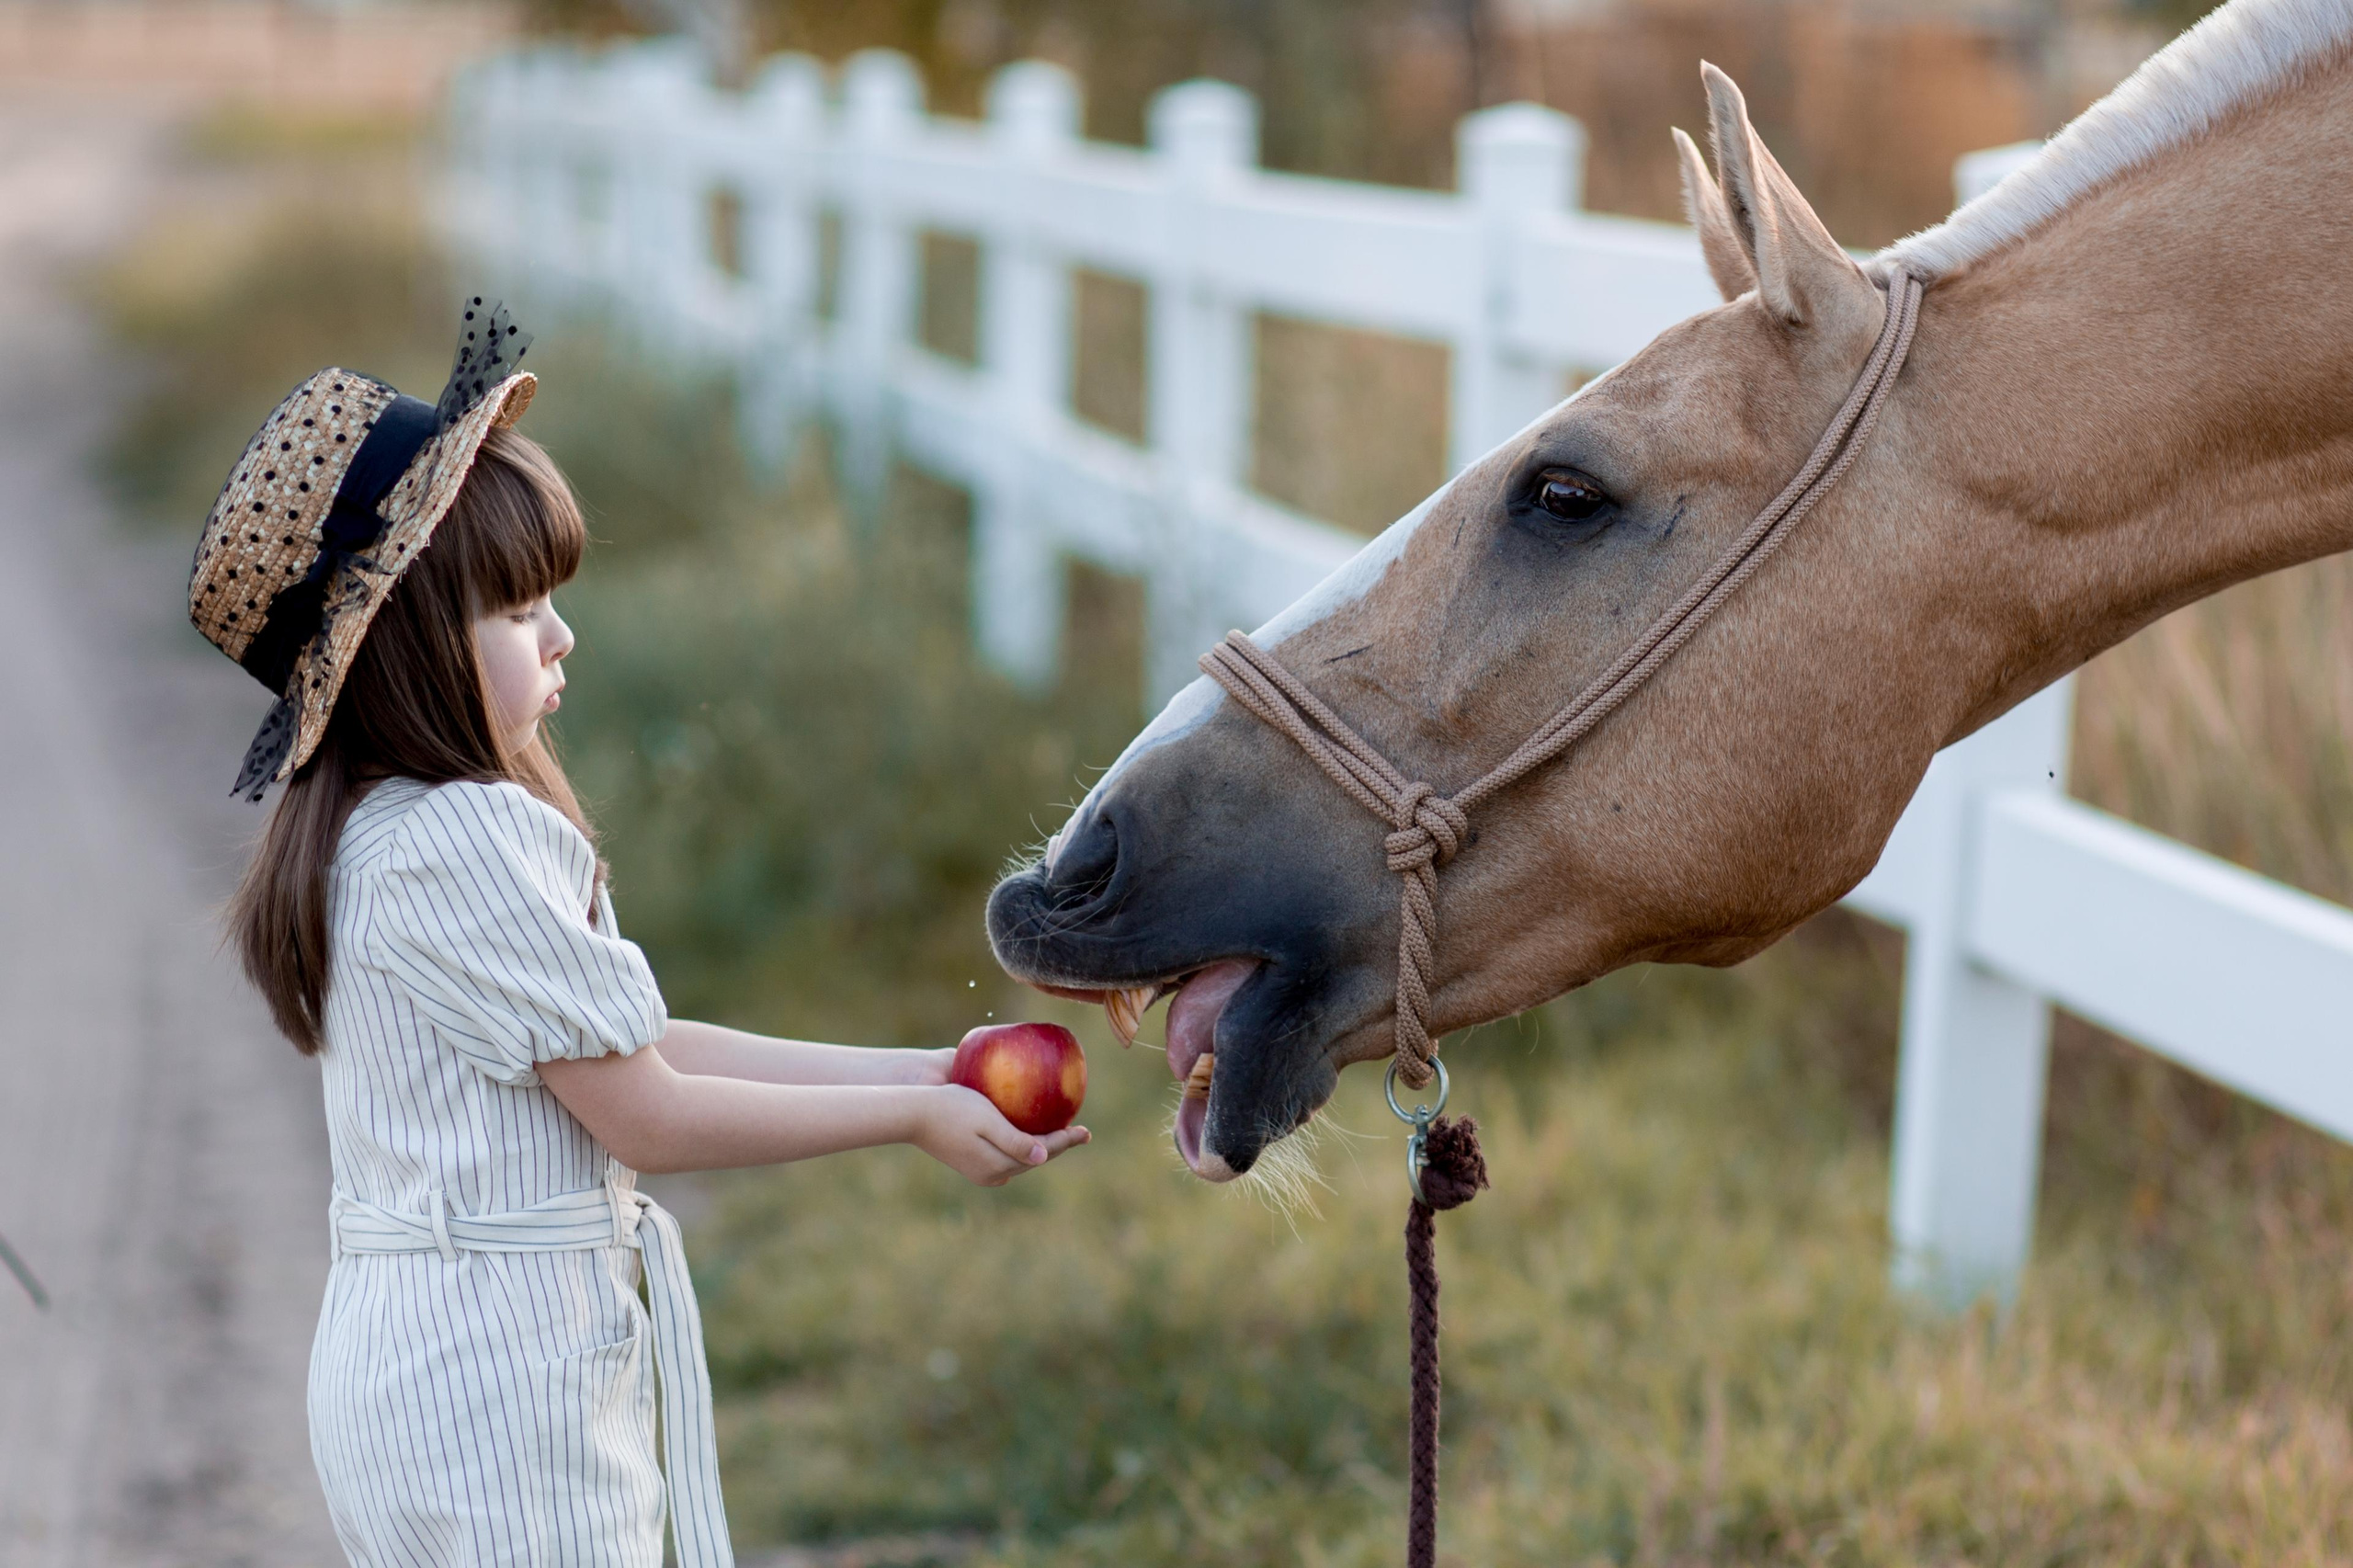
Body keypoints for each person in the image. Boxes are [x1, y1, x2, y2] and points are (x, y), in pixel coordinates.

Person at [187, 301, 1088, 1568]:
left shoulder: (361, 831)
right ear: (401, 648)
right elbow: (648, 1115)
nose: (562, 636)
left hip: (405, 1366)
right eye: (515, 611)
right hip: (506, 1388)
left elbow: (635, 1047)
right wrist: (907, 1121)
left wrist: (928, 1074)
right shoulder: (467, 836)